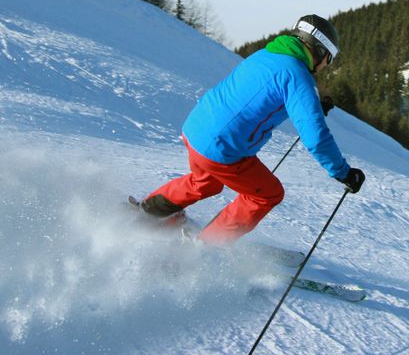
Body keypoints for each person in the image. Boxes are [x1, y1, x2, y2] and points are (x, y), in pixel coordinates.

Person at [140, 14, 365, 244]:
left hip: (196, 129)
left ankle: (147, 212)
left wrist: (312, 104)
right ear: (319, 50)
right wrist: (343, 172)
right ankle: (207, 248)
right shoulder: (298, 75)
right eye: (330, 58)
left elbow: (261, 91)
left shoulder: (267, 54)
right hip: (221, 148)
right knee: (268, 193)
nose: (328, 65)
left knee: (205, 182)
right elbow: (316, 138)